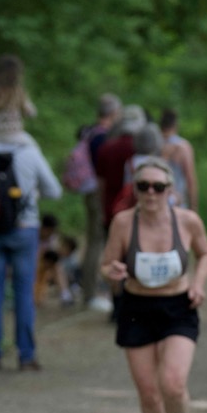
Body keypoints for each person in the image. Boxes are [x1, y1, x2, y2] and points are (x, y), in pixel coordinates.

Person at [101, 158, 207, 413]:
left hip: (178, 307)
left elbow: (205, 253)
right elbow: (106, 264)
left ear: (170, 190)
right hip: (136, 308)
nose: (151, 193)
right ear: (135, 190)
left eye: (158, 186)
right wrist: (112, 272)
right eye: (143, 186)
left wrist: (198, 284)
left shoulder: (188, 221)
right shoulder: (123, 223)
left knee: (173, 384)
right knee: (149, 393)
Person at [0, 54, 62, 370]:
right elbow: (54, 190)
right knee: (24, 292)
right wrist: (30, 193)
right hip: (25, 227)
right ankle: (26, 355)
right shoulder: (28, 150)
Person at [78, 94, 124, 310]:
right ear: (113, 113)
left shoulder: (90, 132)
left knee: (93, 240)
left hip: (89, 192)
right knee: (97, 242)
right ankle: (91, 294)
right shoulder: (103, 137)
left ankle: (89, 290)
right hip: (99, 194)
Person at [159, 108, 199, 210]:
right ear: (176, 125)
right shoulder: (183, 146)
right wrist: (193, 208)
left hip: (155, 202)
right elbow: (190, 179)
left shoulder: (154, 143)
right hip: (177, 204)